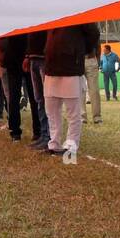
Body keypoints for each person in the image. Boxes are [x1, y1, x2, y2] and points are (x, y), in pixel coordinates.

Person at [42, 22, 99, 155]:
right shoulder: (52, 14)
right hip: (51, 69)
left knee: (73, 113)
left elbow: (94, 33)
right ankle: (54, 144)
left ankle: (71, 147)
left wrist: (79, 50)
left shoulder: (79, 13)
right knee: (51, 112)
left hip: (71, 70)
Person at [83, 37, 102, 123]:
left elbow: (98, 46)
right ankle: (82, 117)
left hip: (91, 59)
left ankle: (97, 117)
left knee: (94, 90)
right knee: (80, 90)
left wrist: (97, 60)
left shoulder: (92, 28)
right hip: (78, 60)